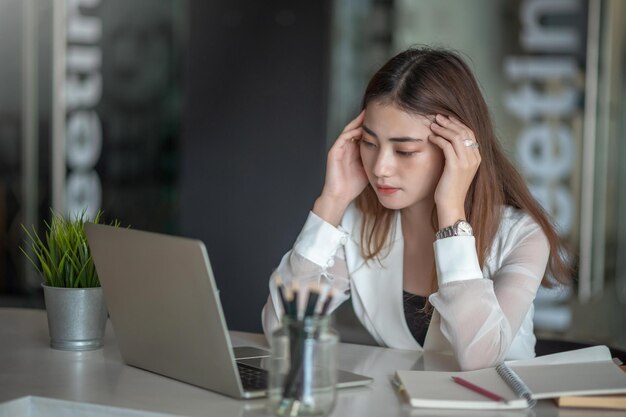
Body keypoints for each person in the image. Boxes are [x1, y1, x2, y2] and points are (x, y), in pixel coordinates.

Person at [261, 46, 571, 371]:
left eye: (405, 151)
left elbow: (480, 360)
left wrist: (451, 213)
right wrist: (331, 203)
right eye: (369, 143)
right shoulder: (361, 223)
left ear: (455, 149)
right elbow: (282, 329)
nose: (380, 167)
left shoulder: (520, 235)